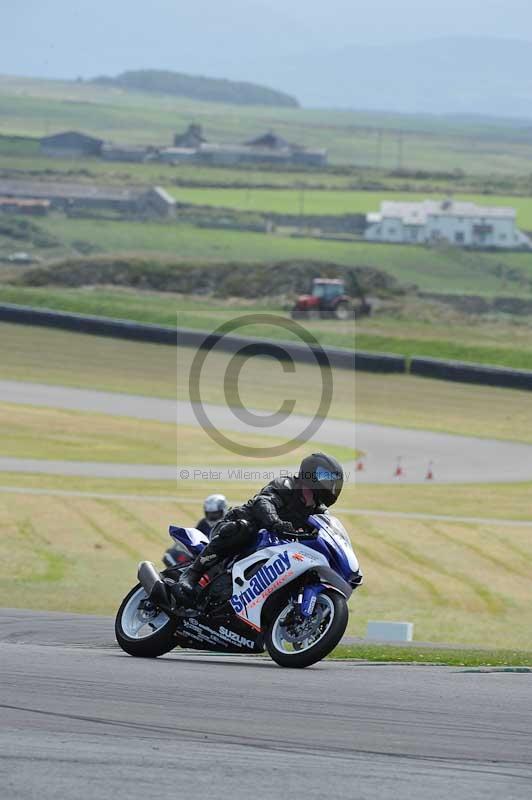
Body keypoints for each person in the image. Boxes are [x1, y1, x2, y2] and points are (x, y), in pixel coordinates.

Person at [176, 452, 344, 600]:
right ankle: (192, 573)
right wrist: (276, 522)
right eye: (326, 477)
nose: (331, 484)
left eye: (333, 480)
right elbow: (263, 502)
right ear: (311, 473)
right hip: (236, 528)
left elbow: (326, 532)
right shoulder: (285, 485)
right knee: (244, 529)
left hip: (272, 548)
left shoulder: (318, 511)